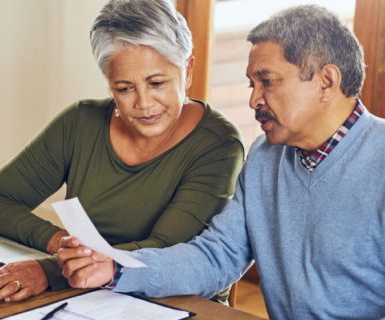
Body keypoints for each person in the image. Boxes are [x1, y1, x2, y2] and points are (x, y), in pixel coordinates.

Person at [57, 5, 385, 319]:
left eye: (267, 81)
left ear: (326, 82)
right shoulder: (264, 158)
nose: (254, 99)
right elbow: (217, 256)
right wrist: (116, 268)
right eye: (251, 84)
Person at [0, 0, 244, 306]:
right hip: (85, 297)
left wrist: (51, 271)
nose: (143, 104)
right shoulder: (81, 122)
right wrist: (59, 243)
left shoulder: (219, 145)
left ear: (188, 70)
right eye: (124, 88)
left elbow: (166, 250)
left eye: (157, 83)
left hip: (175, 304)